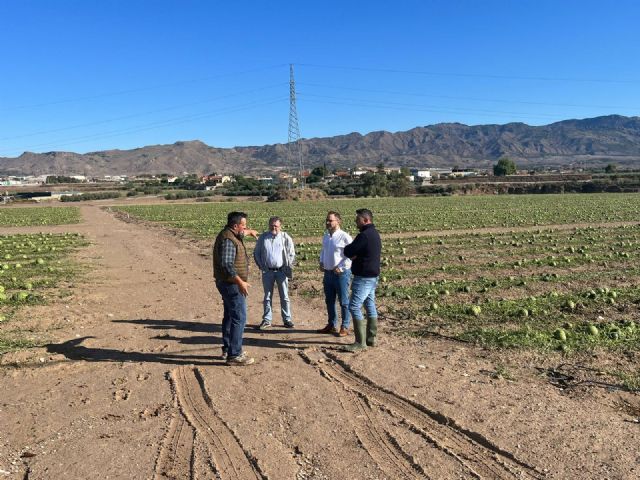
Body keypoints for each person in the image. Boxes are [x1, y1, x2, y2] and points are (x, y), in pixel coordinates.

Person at [212, 211, 258, 365]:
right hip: (231, 284)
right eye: (243, 225)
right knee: (239, 318)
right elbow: (226, 264)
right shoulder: (228, 240)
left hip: (227, 282)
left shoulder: (230, 233)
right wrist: (240, 282)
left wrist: (249, 232)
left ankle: (228, 348)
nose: (245, 228)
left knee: (230, 316)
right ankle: (235, 355)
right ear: (235, 225)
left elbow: (241, 233)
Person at [343, 208, 382, 352]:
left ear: (366, 220)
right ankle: (371, 339)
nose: (355, 221)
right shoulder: (375, 234)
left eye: (358, 219)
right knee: (370, 305)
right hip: (372, 277)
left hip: (364, 277)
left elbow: (348, 250)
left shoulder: (364, 236)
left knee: (354, 306)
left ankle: (360, 342)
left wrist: (354, 254)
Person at [253, 216, 296, 329]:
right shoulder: (263, 237)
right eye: (272, 225)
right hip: (268, 272)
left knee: (285, 296)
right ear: (269, 225)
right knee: (267, 296)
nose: (274, 227)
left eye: (276, 226)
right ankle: (267, 319)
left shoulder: (285, 237)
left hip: (282, 271)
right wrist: (261, 265)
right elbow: (256, 252)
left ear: (280, 226)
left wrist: (287, 266)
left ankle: (287, 319)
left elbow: (291, 253)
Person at [317, 211, 353, 337]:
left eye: (330, 220)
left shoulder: (345, 237)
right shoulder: (326, 236)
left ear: (338, 221)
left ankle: (345, 326)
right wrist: (321, 261)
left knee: (344, 301)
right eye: (327, 220)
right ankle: (332, 324)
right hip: (328, 273)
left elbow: (351, 255)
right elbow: (323, 251)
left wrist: (342, 267)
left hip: (341, 275)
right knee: (329, 300)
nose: (328, 222)